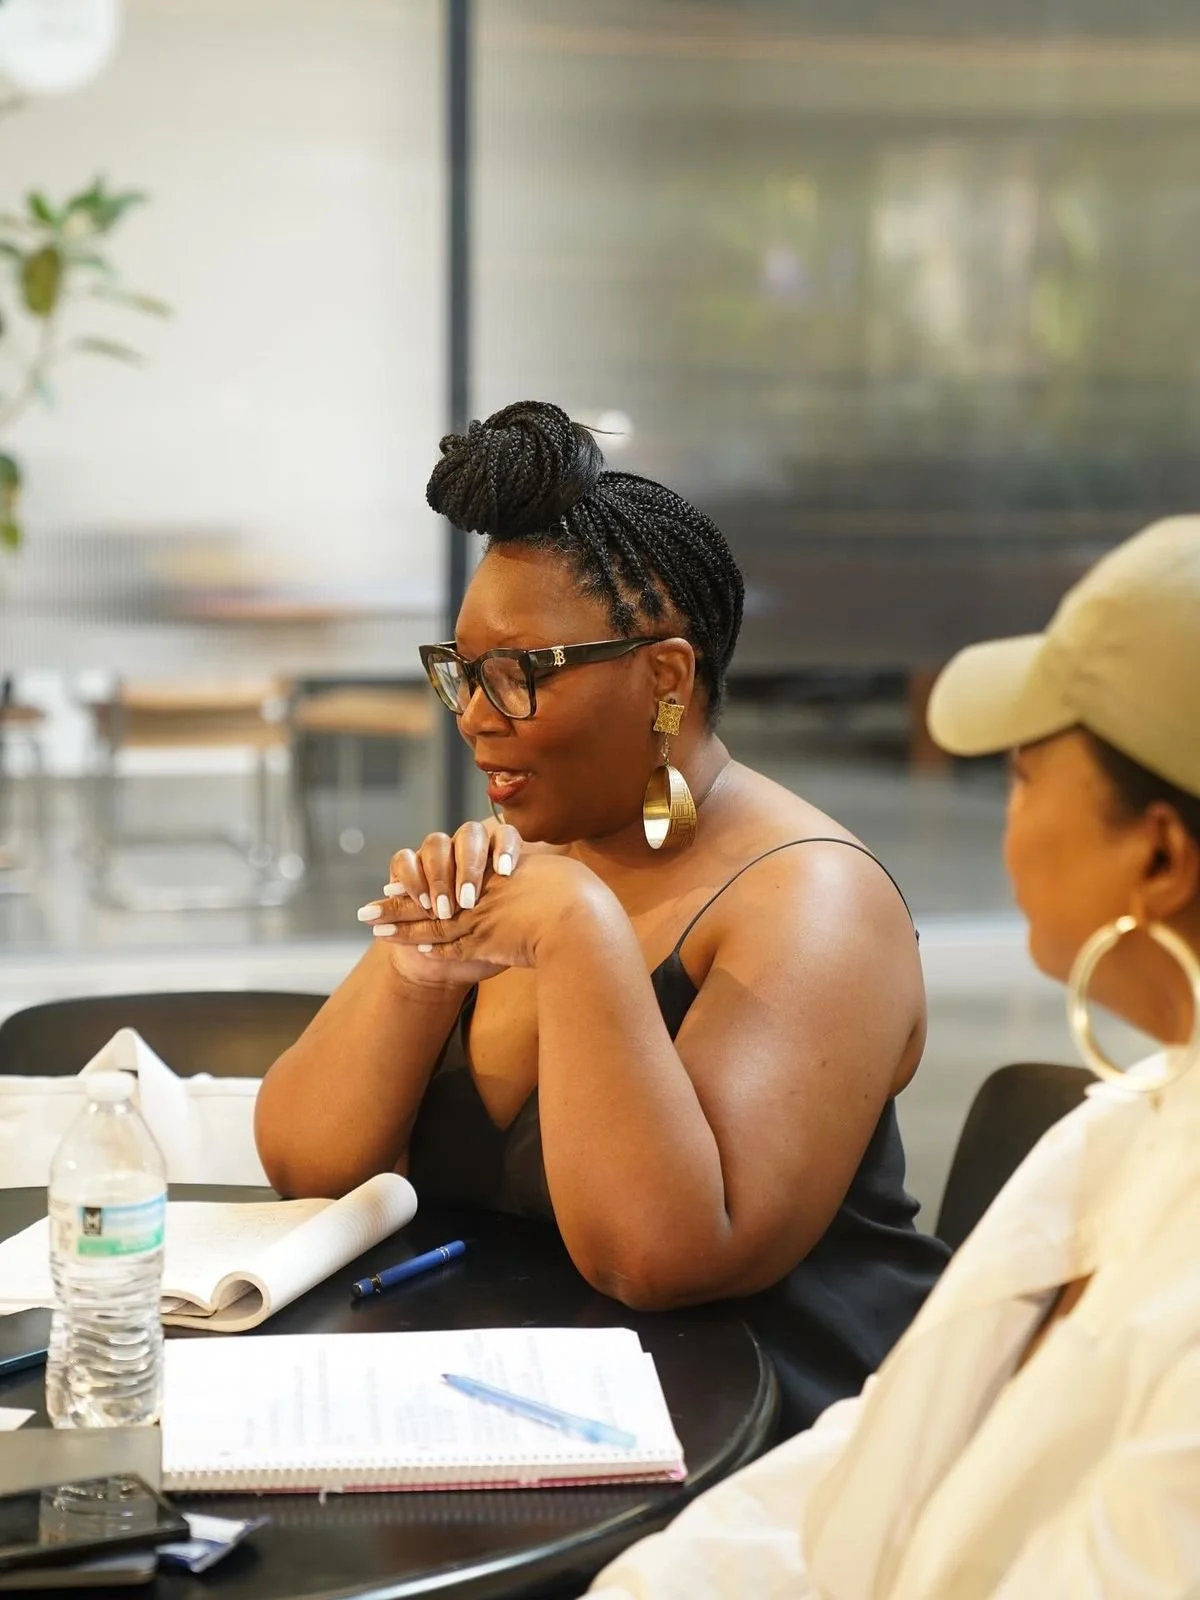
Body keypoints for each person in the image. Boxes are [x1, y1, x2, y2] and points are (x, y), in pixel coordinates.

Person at [255, 400, 947, 1433]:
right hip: (503, 1406)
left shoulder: (814, 900)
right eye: (463, 673)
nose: (475, 716)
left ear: (666, 678)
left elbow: (657, 1258)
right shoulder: (532, 858)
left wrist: (582, 937)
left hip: (761, 1441)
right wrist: (417, 976)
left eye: (519, 675)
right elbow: (305, 1168)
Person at [581, 514, 1200, 1599]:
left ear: (1156, 857)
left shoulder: (809, 895)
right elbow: (877, 1461)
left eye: (1023, 773)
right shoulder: (1122, 1131)